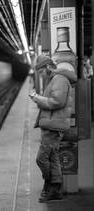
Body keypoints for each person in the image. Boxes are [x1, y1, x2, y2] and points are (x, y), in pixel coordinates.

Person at [30, 55, 76, 202]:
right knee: (52, 157)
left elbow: (57, 102)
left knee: (41, 159)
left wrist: (37, 98)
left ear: (48, 67)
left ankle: (49, 184)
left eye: (41, 71)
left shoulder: (59, 80)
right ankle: (55, 190)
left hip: (54, 126)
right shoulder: (55, 79)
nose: (41, 75)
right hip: (52, 124)